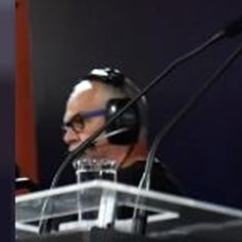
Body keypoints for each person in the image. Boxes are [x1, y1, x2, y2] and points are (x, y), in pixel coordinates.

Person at [62, 67, 181, 195]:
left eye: (79, 122)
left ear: (122, 120)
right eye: (67, 127)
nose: (67, 137)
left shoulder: (151, 189)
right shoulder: (109, 190)